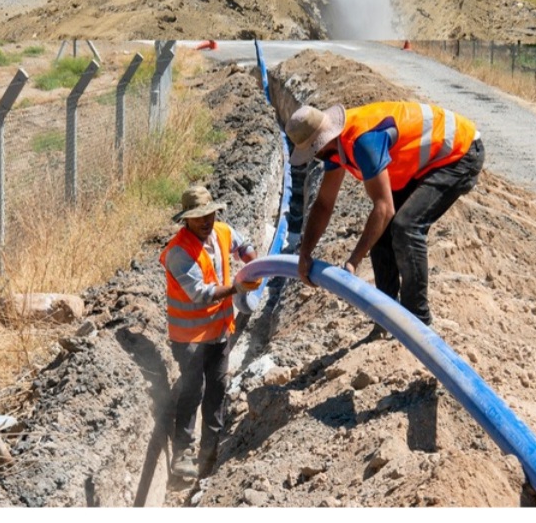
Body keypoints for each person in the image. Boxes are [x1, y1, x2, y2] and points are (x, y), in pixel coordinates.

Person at [287, 100, 484, 328]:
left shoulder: (362, 141)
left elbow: (384, 207)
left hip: (460, 153)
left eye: (312, 152)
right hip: (425, 162)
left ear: (319, 145)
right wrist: (305, 252)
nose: (314, 157)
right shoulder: (335, 148)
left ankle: (417, 324)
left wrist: (353, 261)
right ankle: (387, 321)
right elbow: (323, 203)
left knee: (406, 228)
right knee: (381, 235)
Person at [159, 184, 259, 480]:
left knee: (217, 388)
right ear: (186, 220)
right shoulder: (178, 252)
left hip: (219, 332)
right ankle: (182, 454)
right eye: (199, 217)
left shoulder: (222, 232)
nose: (206, 222)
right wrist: (238, 288)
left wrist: (251, 257)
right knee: (193, 389)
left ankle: (211, 451)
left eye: (210, 215)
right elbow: (201, 294)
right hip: (188, 337)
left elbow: (242, 244)